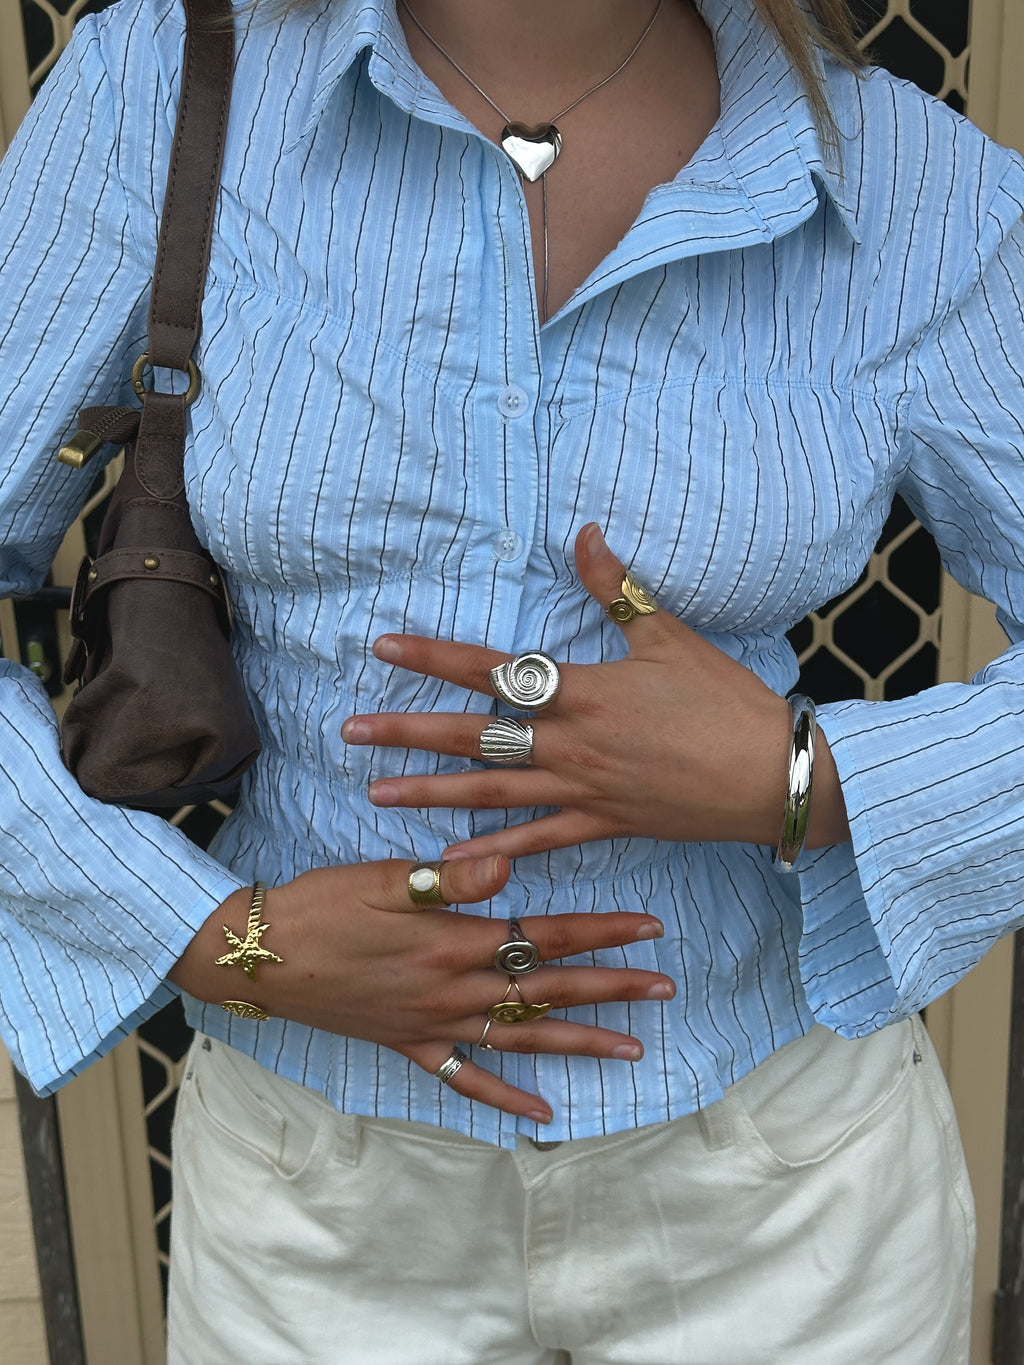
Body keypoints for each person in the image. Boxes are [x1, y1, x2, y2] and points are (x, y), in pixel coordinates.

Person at [0, 0, 1020, 1358]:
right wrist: (223, 937)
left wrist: (806, 777)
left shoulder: (916, 191)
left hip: (780, 1190)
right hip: (324, 1196)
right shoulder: (171, 84)